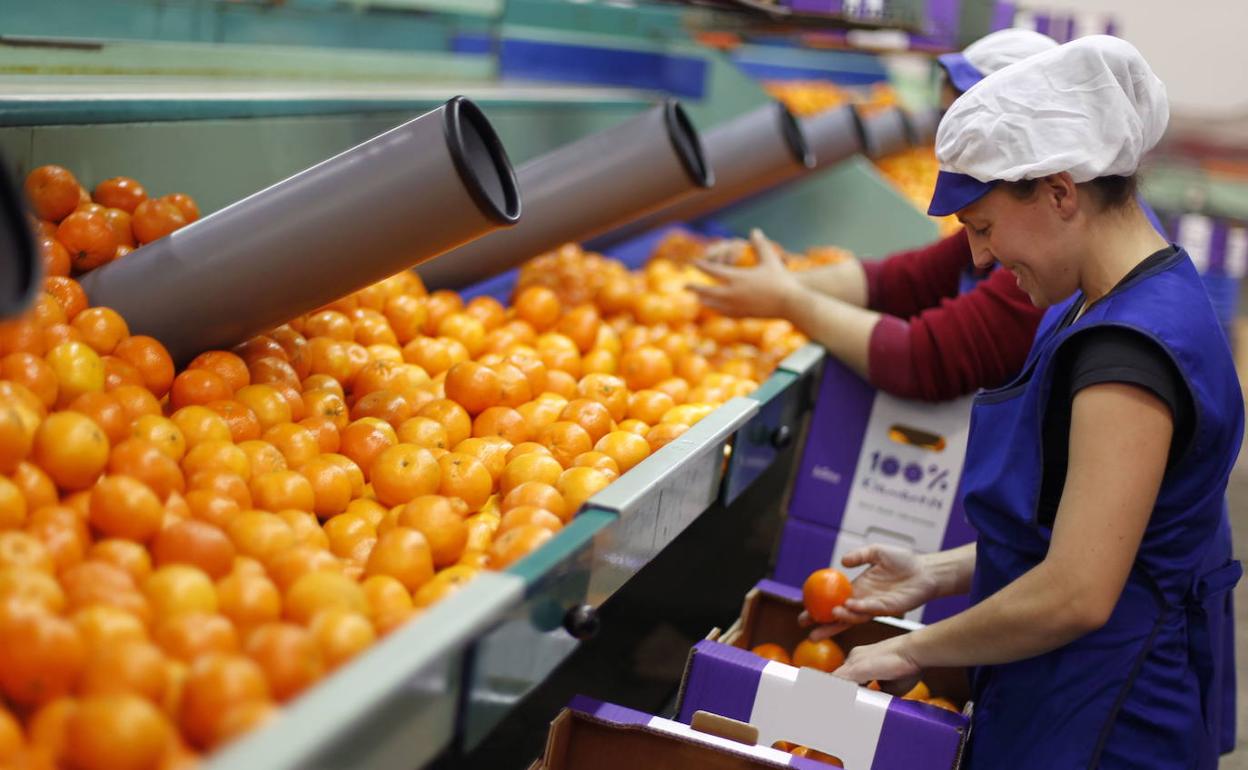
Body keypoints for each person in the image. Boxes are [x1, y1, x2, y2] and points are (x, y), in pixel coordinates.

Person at [817, 36, 1242, 769]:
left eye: (983, 228)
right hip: (1066, 690)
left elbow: (1078, 589)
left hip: (1111, 719)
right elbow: (1102, 532)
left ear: (1059, 191)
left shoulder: (1131, 354)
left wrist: (909, 648)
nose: (980, 259)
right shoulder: (1090, 306)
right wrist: (939, 571)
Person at [692, 29, 1059, 401]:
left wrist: (789, 299)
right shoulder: (1006, 228)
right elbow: (901, 280)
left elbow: (927, 359)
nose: (944, 154)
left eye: (959, 132)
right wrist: (774, 281)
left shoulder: (1042, 260)